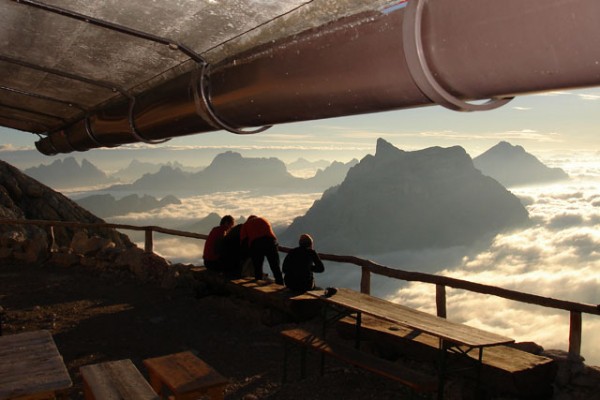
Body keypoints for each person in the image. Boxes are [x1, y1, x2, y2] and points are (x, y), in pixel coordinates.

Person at [240, 215, 283, 284]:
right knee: (275, 267)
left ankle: (258, 284)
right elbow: (271, 234)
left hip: (256, 245)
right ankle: (280, 284)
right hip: (270, 243)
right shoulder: (264, 220)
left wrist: (246, 254)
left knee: (258, 267)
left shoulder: (246, 224)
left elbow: (244, 241)